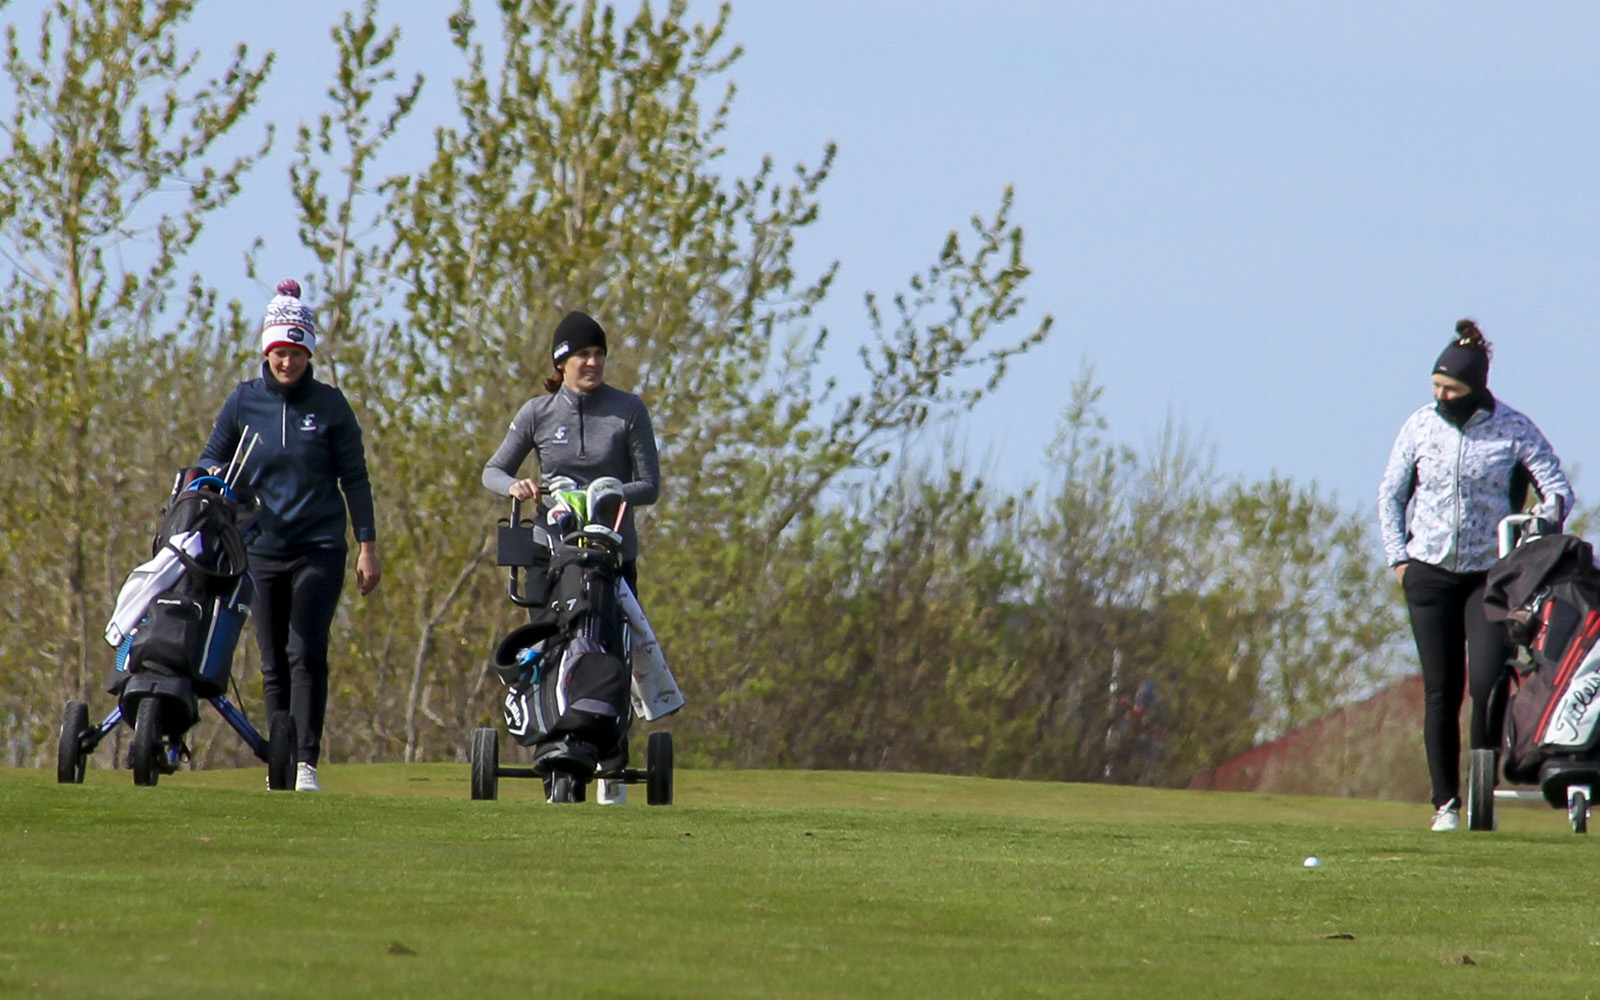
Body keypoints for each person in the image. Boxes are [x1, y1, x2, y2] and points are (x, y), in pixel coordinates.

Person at [1378, 318, 1574, 831]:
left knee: (1487, 684)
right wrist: (1399, 557)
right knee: (1441, 689)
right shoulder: (1420, 425)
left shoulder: (1513, 429)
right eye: (1436, 386)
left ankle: (1481, 790)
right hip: (1428, 573)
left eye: (1452, 388)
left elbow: (1556, 490)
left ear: (1476, 387)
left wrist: (1536, 535)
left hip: (1491, 576)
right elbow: (1391, 494)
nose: (1442, 396)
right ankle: (1445, 803)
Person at [199, 279, 381, 792]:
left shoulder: (331, 406)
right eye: (280, 350)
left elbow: (356, 479)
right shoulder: (243, 402)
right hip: (259, 550)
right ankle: (278, 764)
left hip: (318, 548)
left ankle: (305, 763)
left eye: (297, 351)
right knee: (272, 659)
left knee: (307, 650)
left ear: (308, 352)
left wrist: (367, 546)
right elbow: (211, 456)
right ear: (267, 349)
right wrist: (218, 488)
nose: (287, 361)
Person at [481, 310, 660, 595]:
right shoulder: (537, 412)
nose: (593, 362)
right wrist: (515, 486)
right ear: (562, 362)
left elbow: (650, 487)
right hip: (550, 548)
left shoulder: (630, 410)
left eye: (599, 353)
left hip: (611, 552)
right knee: (544, 635)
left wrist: (608, 494)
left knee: (616, 638)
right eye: (583, 354)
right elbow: (492, 472)